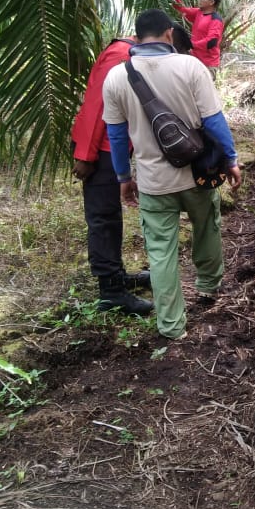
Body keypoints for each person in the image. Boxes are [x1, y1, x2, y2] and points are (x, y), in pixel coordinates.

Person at [102, 9, 243, 339]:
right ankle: (209, 286)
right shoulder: (190, 66)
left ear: (136, 39)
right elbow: (213, 121)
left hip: (153, 182)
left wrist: (124, 178)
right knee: (207, 225)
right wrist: (231, 159)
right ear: (169, 34)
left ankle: (171, 326)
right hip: (198, 174)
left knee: (161, 253)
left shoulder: (117, 77)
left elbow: (117, 136)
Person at [70, 37, 154, 316]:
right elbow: (97, 106)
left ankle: (117, 275)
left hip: (111, 147)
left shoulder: (129, 54)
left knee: (111, 215)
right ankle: (111, 292)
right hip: (99, 149)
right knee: (103, 217)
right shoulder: (121, 54)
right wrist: (85, 154)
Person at [169, 0, 224, 70]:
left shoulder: (216, 20)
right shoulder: (198, 13)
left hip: (207, 64)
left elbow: (211, 41)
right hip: (194, 60)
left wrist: (190, 44)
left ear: (212, 2)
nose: (200, 0)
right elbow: (182, 9)